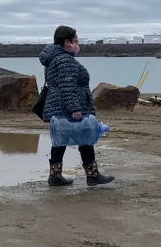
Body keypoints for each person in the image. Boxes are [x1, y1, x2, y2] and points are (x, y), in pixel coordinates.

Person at [39, 26, 114, 187]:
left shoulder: (54, 58)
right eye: (75, 41)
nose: (77, 45)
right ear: (67, 42)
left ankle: (55, 175)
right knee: (85, 138)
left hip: (58, 107)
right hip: (69, 108)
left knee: (60, 140)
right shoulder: (65, 60)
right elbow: (67, 86)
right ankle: (92, 175)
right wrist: (75, 109)